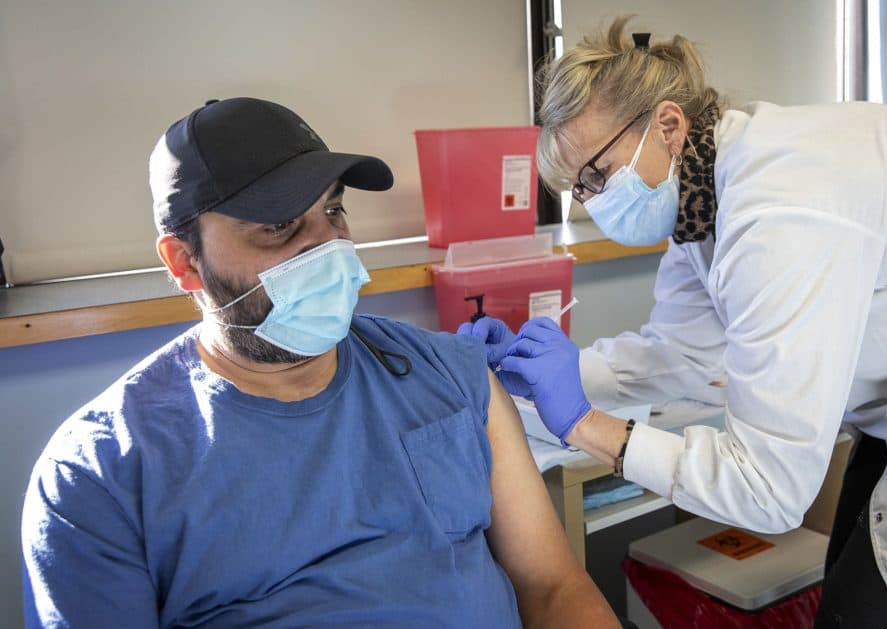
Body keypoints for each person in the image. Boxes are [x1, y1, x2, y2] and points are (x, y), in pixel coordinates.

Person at [461, 17, 887, 628]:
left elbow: (769, 491)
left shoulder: (781, 207)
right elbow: (681, 354)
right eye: (577, 191)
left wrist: (587, 426)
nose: (592, 202)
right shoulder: (704, 199)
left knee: (881, 609)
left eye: (596, 176)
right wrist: (550, 373)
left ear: (667, 125)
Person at [20, 97, 620, 629]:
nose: (326, 248)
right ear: (184, 262)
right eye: (279, 226)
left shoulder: (450, 375)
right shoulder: (101, 474)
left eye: (332, 212)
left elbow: (554, 589)